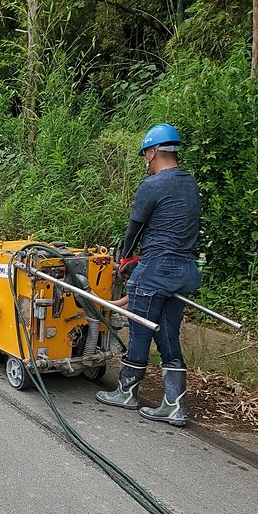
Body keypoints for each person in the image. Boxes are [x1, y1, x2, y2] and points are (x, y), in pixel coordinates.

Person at [95, 123, 202, 427]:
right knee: (168, 334)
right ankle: (175, 406)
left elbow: (135, 229)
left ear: (154, 151)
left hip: (155, 270)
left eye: (146, 155)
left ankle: (126, 392)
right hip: (183, 270)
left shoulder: (152, 185)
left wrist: (125, 258)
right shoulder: (189, 183)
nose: (146, 161)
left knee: (140, 328)